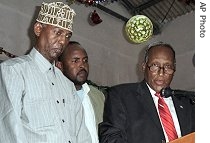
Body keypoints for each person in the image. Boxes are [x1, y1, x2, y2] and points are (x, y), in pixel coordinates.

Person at [0, 2, 92, 143]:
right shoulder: (14, 71)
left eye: (67, 36)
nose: (62, 41)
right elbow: (9, 129)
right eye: (57, 32)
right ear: (38, 29)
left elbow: (82, 135)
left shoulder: (67, 85)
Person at [98, 42, 195, 143]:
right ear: (144, 66)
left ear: (174, 70)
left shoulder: (188, 102)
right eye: (155, 65)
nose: (161, 73)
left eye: (168, 66)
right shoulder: (121, 96)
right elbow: (111, 138)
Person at [56, 41, 105, 143]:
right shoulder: (53, 95)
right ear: (60, 66)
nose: (82, 65)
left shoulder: (98, 96)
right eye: (75, 61)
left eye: (85, 60)